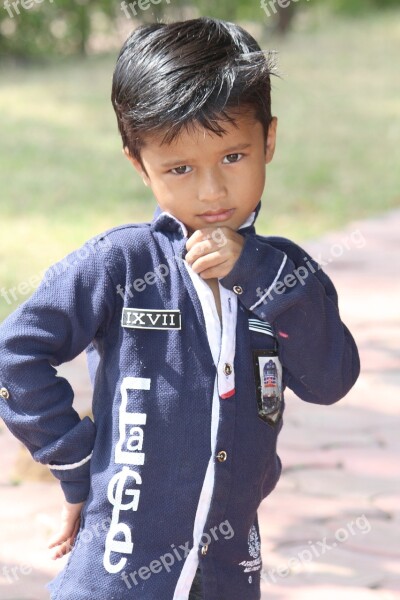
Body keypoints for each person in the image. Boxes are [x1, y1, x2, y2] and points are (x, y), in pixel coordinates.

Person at [0, 16, 360, 600]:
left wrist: (257, 273)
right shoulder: (121, 264)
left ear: (269, 139)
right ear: (139, 166)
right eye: (180, 169)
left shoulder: (288, 274)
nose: (212, 191)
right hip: (115, 574)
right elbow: (14, 354)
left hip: (227, 574)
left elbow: (330, 380)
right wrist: (74, 465)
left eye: (234, 157)